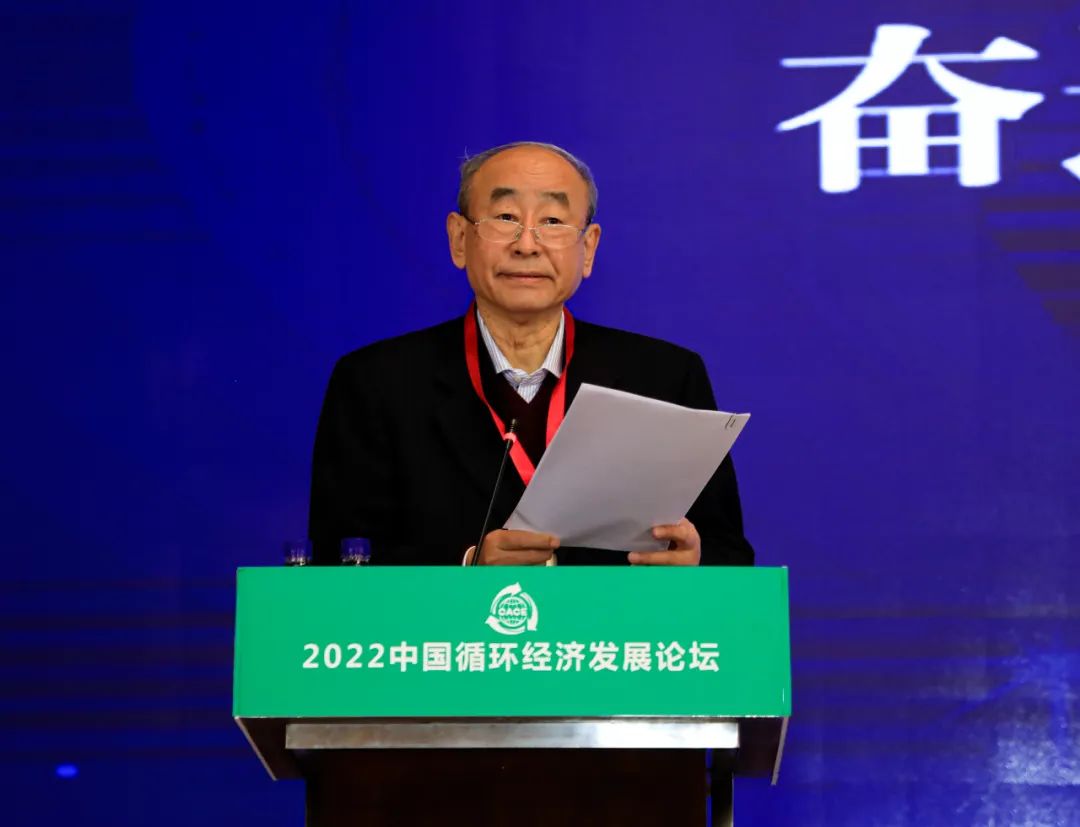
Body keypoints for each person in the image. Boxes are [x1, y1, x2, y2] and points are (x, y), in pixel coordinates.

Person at [309, 141, 753, 567]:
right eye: (505, 217)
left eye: (553, 221)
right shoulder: (376, 383)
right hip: (449, 623)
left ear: (588, 248)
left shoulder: (665, 377)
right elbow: (337, 560)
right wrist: (467, 568)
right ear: (459, 239)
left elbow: (729, 555)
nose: (526, 244)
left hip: (613, 622)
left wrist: (694, 562)